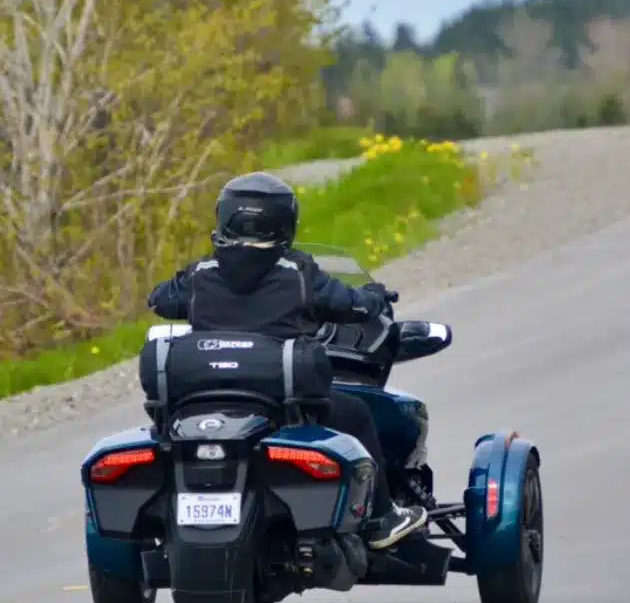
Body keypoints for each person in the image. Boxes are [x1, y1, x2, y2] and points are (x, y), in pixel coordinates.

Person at [146, 170, 429, 550]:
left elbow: (161, 299)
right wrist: (375, 296)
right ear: (285, 221)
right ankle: (381, 519)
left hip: (204, 396)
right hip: (279, 396)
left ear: (224, 217)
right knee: (358, 413)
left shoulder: (202, 274)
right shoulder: (298, 273)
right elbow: (353, 305)